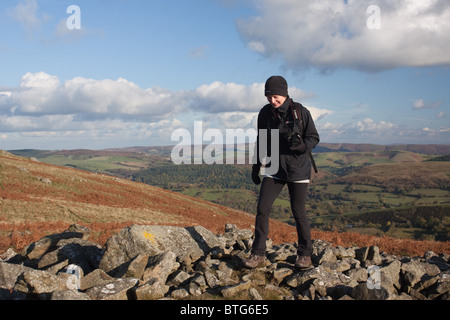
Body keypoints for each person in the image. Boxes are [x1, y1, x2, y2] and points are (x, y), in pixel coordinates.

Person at [244, 75, 320, 269]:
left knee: (298, 212)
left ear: (285, 94)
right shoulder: (265, 113)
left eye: (275, 97)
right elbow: (261, 140)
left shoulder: (300, 112)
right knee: (263, 208)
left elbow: (313, 138)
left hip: (298, 168)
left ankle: (304, 254)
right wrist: (255, 165)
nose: (272, 101)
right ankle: (258, 253)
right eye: (268, 97)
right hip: (274, 167)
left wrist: (301, 145)